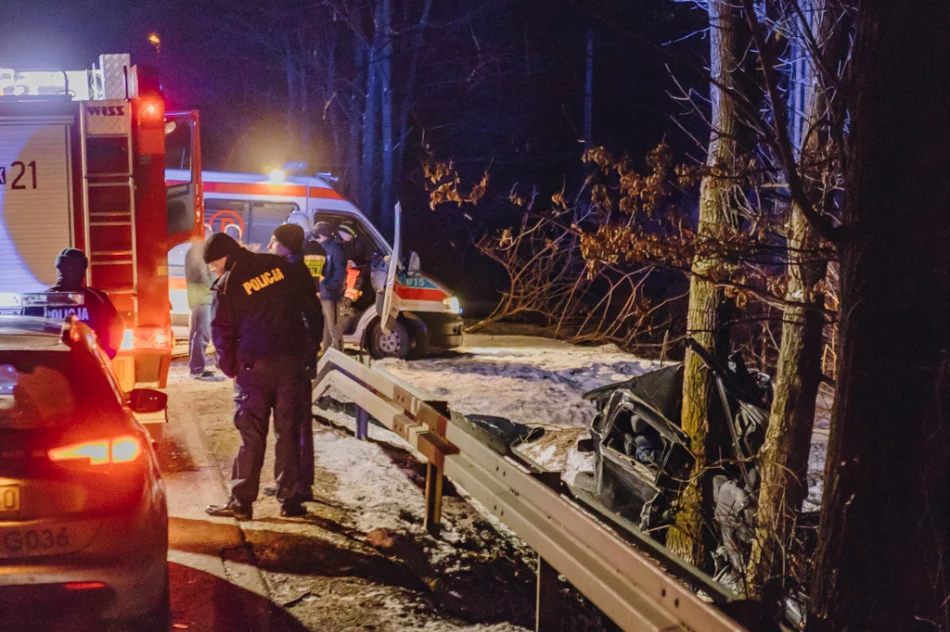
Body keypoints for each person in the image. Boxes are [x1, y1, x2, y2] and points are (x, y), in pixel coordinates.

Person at [202, 232, 310, 520]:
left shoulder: (228, 283)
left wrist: (231, 369)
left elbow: (221, 332)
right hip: (290, 365)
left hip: (253, 369)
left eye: (214, 264)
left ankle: (241, 503)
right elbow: (308, 308)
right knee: (288, 432)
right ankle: (290, 501)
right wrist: (306, 352)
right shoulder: (281, 266)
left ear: (224, 257)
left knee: (251, 435)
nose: (214, 270)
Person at [268, 223, 323, 501]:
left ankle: (298, 484)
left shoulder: (292, 273)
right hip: (296, 355)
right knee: (293, 422)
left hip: (295, 357)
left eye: (274, 241)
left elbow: (310, 316)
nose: (269, 246)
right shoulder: (293, 269)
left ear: (285, 245)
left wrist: (307, 350)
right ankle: (291, 480)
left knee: (295, 423)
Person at [21, 248, 123, 358]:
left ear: (58, 268)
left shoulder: (37, 301)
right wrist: (104, 357)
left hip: (49, 366)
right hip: (85, 365)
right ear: (83, 269)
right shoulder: (97, 299)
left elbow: (22, 338)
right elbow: (115, 329)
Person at [184, 235, 220, 380]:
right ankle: (197, 369)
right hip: (203, 298)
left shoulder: (193, 251)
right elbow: (203, 277)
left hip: (198, 298)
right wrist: (217, 283)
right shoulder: (197, 252)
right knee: (202, 334)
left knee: (197, 333)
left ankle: (196, 367)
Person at [313, 224, 347, 353]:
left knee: (333, 327)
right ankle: (327, 354)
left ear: (323, 235)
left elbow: (339, 271)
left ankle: (338, 354)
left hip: (332, 294)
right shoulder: (326, 247)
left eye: (317, 236)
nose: (316, 239)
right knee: (327, 327)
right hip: (325, 293)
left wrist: (329, 285)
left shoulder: (336, 248)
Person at [337, 222, 375, 312]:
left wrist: (354, 262)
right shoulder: (350, 241)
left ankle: (349, 306)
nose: (342, 237)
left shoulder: (360, 240)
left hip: (360, 270)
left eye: (343, 234)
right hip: (354, 270)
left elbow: (367, 255)